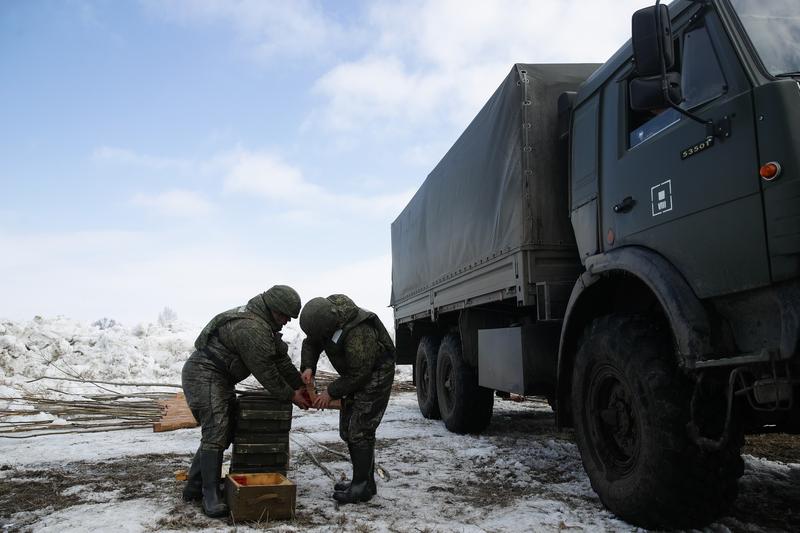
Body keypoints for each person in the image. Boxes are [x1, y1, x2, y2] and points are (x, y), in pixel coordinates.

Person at [181, 285, 311, 518]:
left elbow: (280, 361)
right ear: (272, 309)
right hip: (204, 374)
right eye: (283, 316)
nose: (285, 322)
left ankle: (194, 486)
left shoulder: (264, 325)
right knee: (217, 429)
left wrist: (299, 385)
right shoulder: (251, 328)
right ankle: (210, 495)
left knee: (228, 428)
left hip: (220, 378)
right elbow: (267, 372)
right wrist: (291, 395)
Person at [299, 294, 396, 504]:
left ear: (330, 325)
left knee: (359, 430)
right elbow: (311, 342)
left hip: (375, 374)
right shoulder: (323, 321)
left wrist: (330, 392)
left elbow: (360, 372)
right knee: (348, 430)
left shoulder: (358, 331)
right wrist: (308, 366)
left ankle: (361, 487)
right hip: (354, 374)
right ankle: (365, 482)